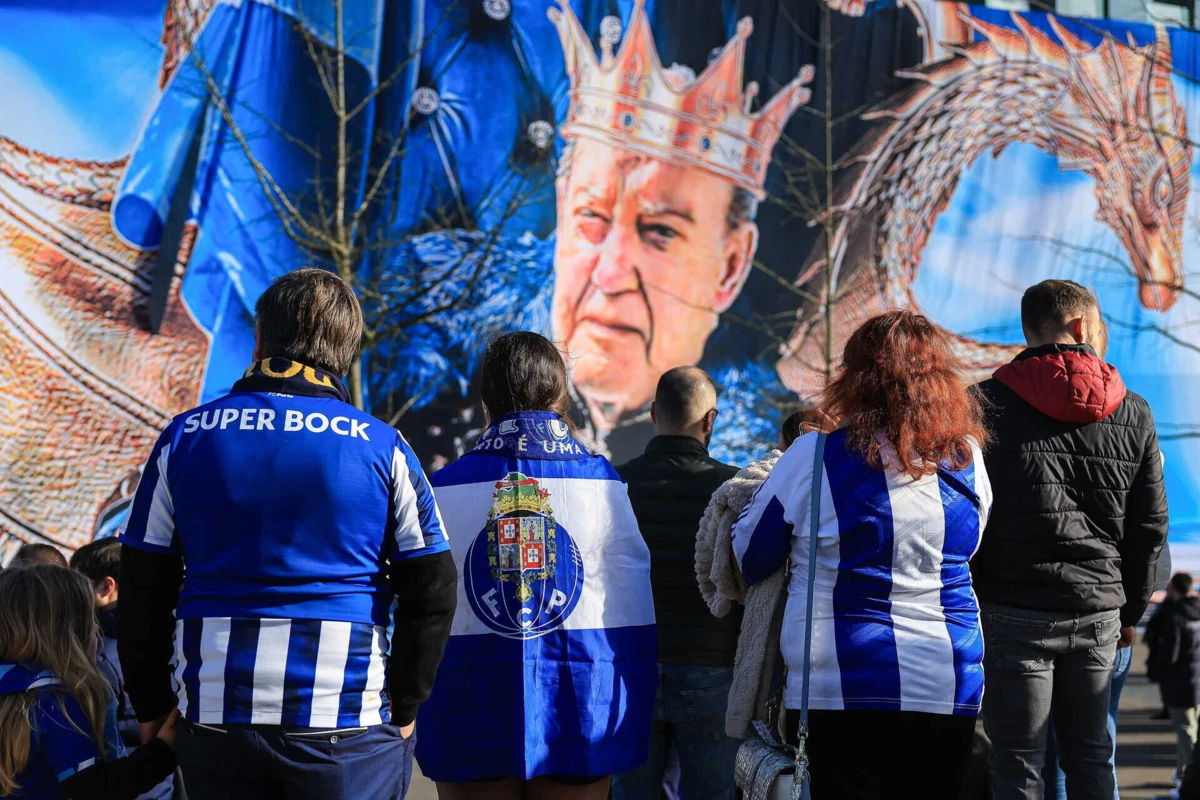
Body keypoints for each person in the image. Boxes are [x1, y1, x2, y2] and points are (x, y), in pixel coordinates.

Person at [116, 268, 457, 800]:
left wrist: (152, 704)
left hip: (213, 716)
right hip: (344, 725)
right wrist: (407, 705)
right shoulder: (383, 446)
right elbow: (432, 587)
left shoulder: (184, 437)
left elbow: (141, 583)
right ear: (346, 349)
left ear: (259, 340)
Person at [732, 309, 993, 799]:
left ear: (855, 380)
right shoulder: (968, 459)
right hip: (948, 676)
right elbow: (971, 545)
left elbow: (749, 554)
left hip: (838, 679)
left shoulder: (813, 456)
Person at [546, 1, 809, 462]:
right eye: (591, 216)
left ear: (730, 266)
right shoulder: (452, 416)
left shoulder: (775, 455)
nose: (610, 274)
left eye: (660, 232)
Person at [415, 331, 656, 798]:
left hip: (469, 700)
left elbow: (421, 601)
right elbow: (629, 604)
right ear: (561, 396)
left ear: (486, 402)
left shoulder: (440, 489)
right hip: (582, 699)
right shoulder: (604, 484)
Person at [971, 279, 1169, 800]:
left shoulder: (982, 405)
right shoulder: (1135, 410)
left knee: (1017, 764)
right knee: (1091, 758)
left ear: (1028, 329)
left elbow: (964, 516)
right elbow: (1149, 527)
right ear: (1083, 326)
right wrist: (1129, 611)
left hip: (1011, 609)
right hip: (1100, 612)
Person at [610, 366, 742, 800]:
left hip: (631, 670)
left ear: (652, 412)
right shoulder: (733, 488)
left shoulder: (615, 484)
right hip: (711, 668)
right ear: (710, 420)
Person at [0, 565, 179, 799]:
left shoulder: (14, 692)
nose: (96, 629)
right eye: (90, 620)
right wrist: (165, 748)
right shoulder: (58, 707)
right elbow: (95, 789)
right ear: (66, 633)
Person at [69, 538, 174, 800]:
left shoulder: (98, 653)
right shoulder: (171, 636)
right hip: (160, 783)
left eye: (78, 586)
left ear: (106, 586)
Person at [1154, 573, 1200, 786]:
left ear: (1173, 589)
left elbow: (1169, 653)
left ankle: (1189, 778)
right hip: (1197, 680)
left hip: (1181, 682)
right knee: (1193, 730)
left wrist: (1158, 672)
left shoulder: (1175, 615)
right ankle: (1187, 774)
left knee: (1185, 733)